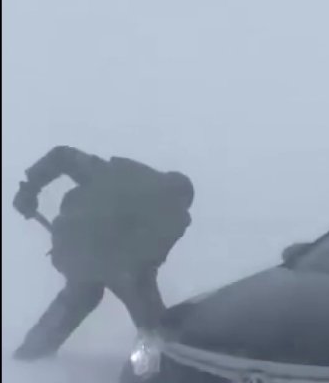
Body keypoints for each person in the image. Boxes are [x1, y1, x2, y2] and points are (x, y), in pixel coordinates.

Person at [11, 145, 194, 361]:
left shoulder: (115, 173)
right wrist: (149, 309)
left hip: (73, 246)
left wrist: (30, 188)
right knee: (153, 323)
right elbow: (148, 265)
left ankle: (29, 357)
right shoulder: (176, 218)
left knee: (82, 295)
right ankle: (167, 359)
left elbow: (62, 155)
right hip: (117, 264)